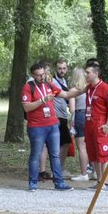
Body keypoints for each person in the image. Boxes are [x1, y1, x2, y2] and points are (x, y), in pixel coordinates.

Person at [48, 57, 108, 185]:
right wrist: (51, 86)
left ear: (95, 74)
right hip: (89, 123)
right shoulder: (88, 88)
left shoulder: (105, 88)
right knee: (93, 154)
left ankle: (105, 183)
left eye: (87, 72)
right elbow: (68, 95)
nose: (85, 74)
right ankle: (99, 181)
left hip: (100, 124)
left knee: (102, 154)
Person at [21, 61, 71, 191]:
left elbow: (65, 94)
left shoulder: (49, 84)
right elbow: (26, 107)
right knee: (36, 154)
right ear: (33, 75)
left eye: (43, 74)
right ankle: (33, 182)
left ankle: (59, 183)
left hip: (53, 125)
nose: (42, 77)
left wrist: (83, 89)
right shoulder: (28, 87)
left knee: (55, 154)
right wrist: (42, 100)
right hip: (37, 127)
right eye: (38, 75)